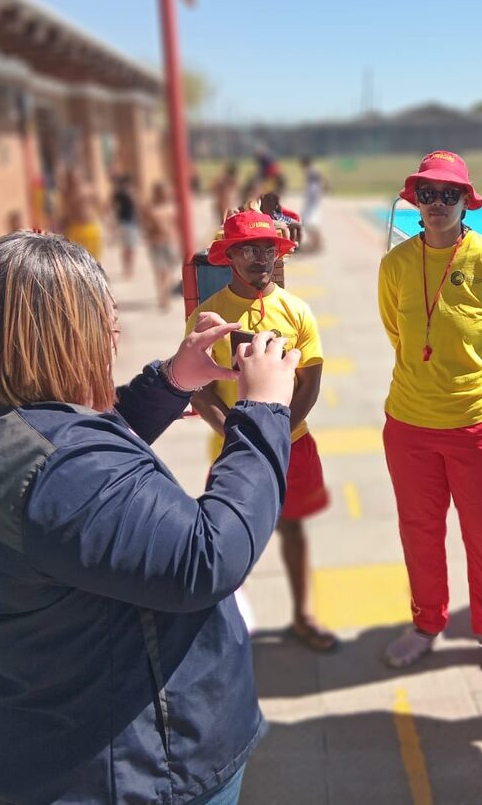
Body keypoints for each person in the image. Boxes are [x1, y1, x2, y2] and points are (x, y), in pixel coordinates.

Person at [0, 231, 300, 804]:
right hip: (136, 766)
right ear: (58, 343)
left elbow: (81, 477)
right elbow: (209, 557)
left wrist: (172, 383)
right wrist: (264, 411)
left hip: (41, 736)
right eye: (105, 329)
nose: (113, 339)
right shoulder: (66, 473)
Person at [378, 150, 482, 686]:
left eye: (449, 194)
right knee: (419, 532)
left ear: (467, 202)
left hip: (475, 424)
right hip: (409, 423)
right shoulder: (395, 264)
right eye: (427, 193)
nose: (437, 203)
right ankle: (426, 623)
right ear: (414, 200)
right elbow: (397, 335)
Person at [189, 211, 338, 654]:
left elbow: (309, 383)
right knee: (229, 539)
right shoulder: (208, 318)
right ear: (228, 256)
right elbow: (199, 391)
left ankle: (303, 615)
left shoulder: (297, 311)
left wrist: (274, 435)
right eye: (249, 249)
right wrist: (240, 437)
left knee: (293, 531)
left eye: (269, 248)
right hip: (232, 450)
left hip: (293, 446)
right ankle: (225, 624)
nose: (261, 257)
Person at [142, 180, 179, 311]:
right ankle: (163, 295)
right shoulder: (150, 208)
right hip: (156, 243)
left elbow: (175, 226)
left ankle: (165, 294)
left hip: (168, 242)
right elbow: (145, 225)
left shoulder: (170, 208)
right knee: (160, 271)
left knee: (168, 270)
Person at [58, 166, 104, 262]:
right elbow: (64, 212)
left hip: (91, 227)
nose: (75, 178)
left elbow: (100, 204)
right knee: (77, 262)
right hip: (75, 229)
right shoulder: (66, 193)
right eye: (73, 177)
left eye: (78, 175)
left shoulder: (90, 189)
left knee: (94, 262)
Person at [111, 173, 140, 279]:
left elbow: (112, 207)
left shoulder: (117, 193)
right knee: (131, 248)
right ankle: (130, 270)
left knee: (125, 247)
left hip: (122, 222)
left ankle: (126, 269)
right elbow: (136, 206)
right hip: (130, 222)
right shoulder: (129, 193)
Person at [300, 155, 326, 253]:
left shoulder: (312, 171)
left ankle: (317, 243)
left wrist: (312, 202)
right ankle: (316, 243)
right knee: (309, 223)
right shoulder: (311, 172)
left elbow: (317, 187)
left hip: (312, 203)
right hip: (311, 202)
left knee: (311, 223)